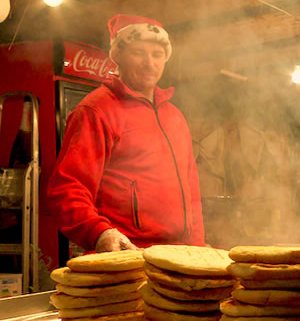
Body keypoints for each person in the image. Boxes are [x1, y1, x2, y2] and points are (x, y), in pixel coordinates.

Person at [47, 14, 204, 252]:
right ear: (117, 56)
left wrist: (197, 248)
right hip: (125, 255)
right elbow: (68, 188)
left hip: (178, 255)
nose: (149, 63)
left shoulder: (175, 117)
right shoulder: (96, 110)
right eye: (138, 53)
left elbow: (192, 193)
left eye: (157, 54)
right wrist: (99, 233)